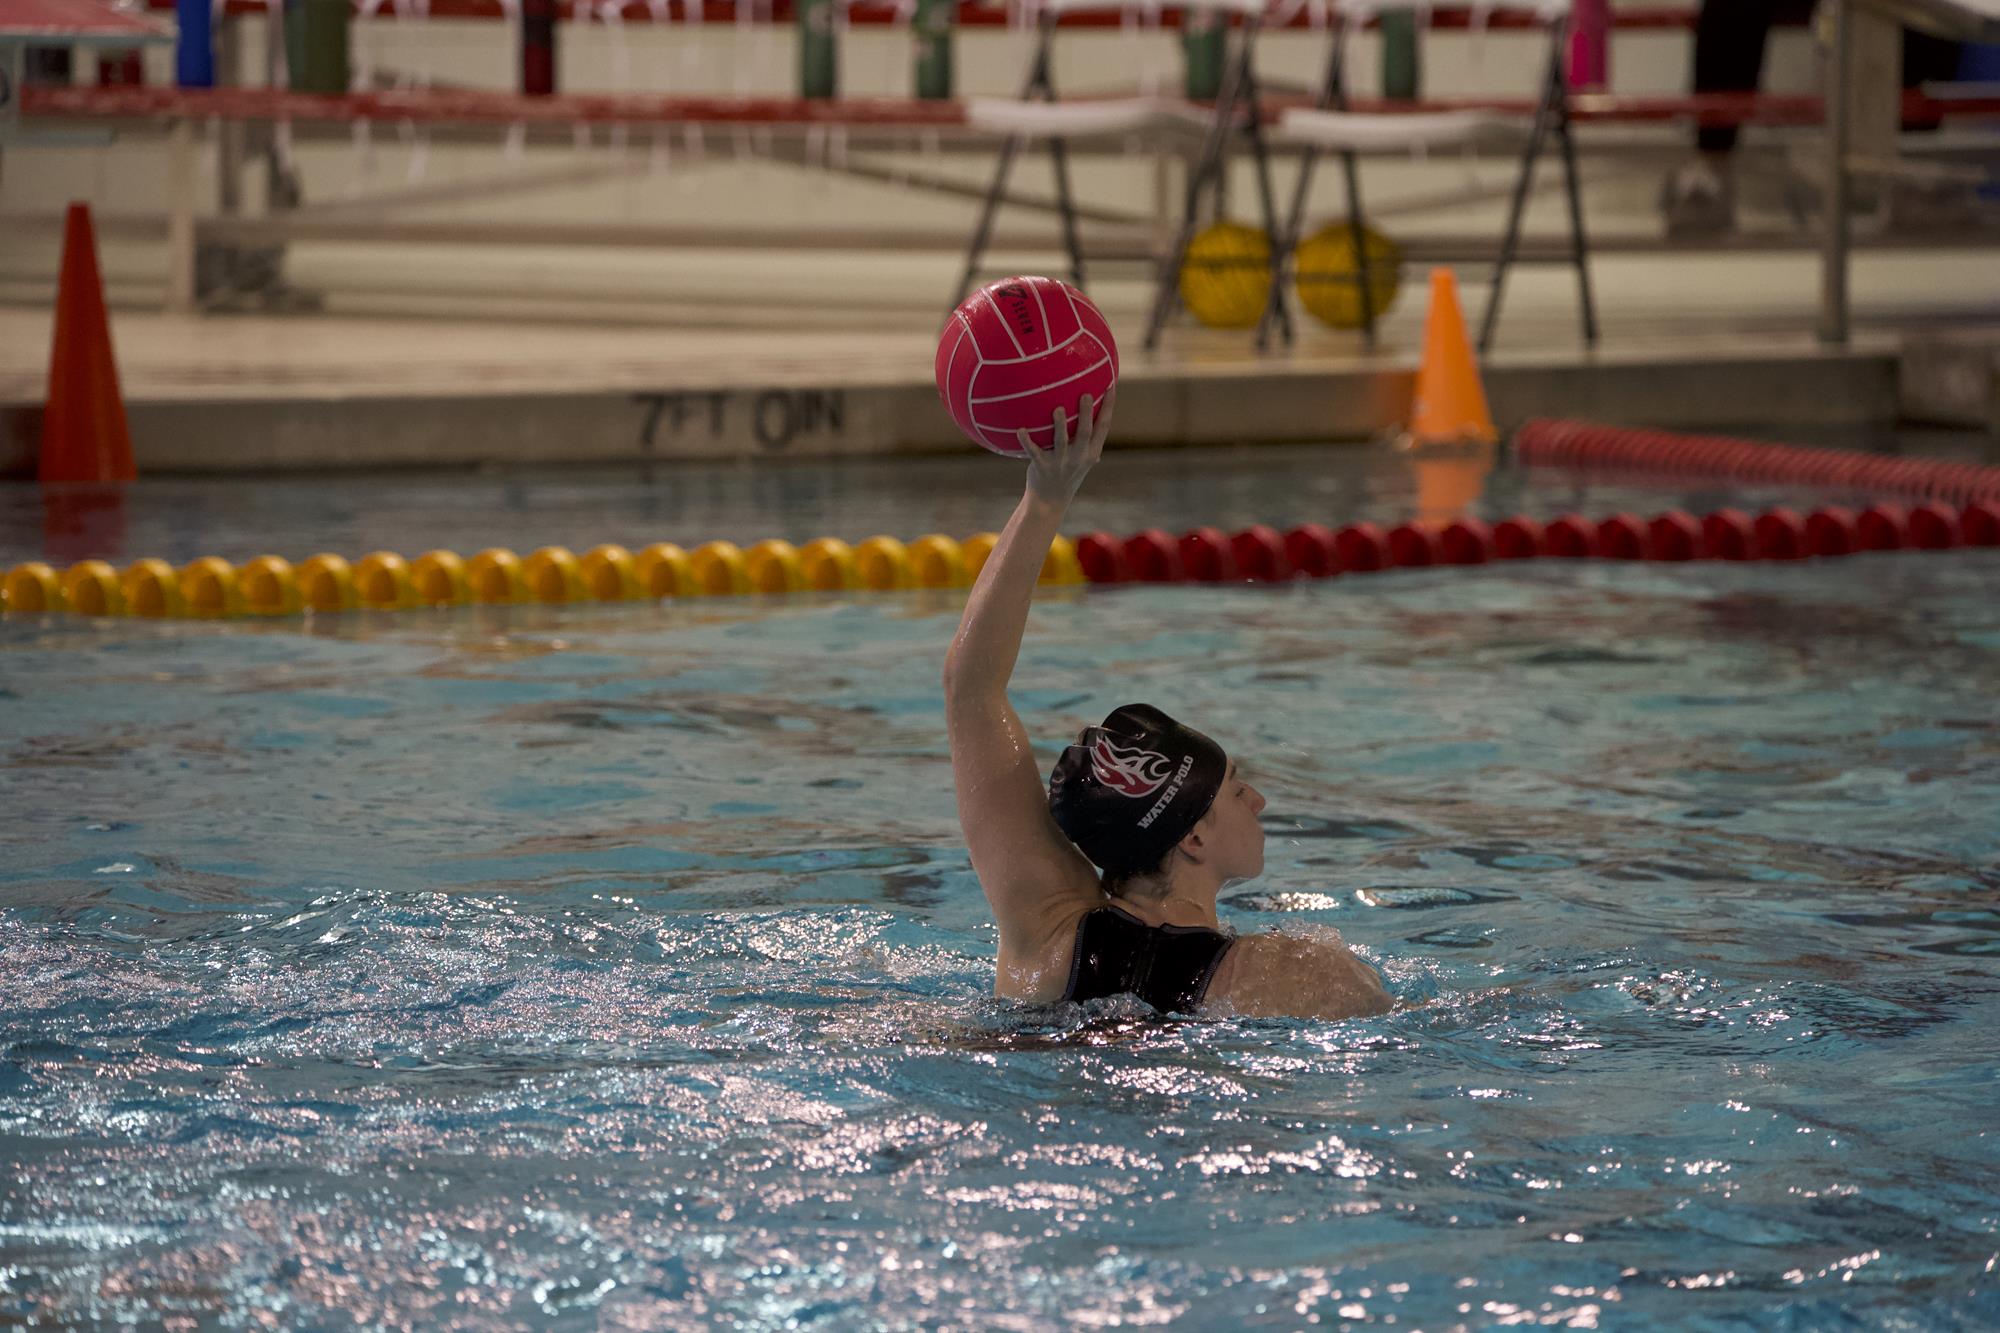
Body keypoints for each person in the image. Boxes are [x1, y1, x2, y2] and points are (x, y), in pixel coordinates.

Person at [941, 390, 1393, 1021]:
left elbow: (971, 688)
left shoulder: (1044, 928)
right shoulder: (1295, 974)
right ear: (1196, 838)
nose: (1259, 800)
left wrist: (1045, 496)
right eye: (1237, 790)